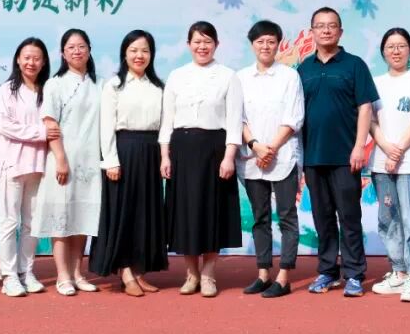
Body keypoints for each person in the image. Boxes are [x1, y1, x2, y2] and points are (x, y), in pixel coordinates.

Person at [297, 7, 378, 297]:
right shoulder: (303, 70)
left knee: (349, 217)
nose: (326, 30)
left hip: (346, 157)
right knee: (322, 218)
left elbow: (365, 107)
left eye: (332, 25)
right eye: (320, 26)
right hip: (313, 157)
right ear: (312, 32)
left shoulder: (354, 65)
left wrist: (359, 147)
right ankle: (327, 271)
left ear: (340, 31)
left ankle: (354, 274)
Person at [160, 21, 244, 298]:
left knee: (212, 211)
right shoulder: (176, 76)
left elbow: (234, 121)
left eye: (208, 41)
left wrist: (229, 156)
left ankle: (208, 274)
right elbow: (167, 121)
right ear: (189, 45)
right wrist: (165, 155)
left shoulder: (228, 76)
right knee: (185, 212)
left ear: (216, 45)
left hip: (214, 150)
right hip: (182, 149)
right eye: (197, 41)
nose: (202, 46)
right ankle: (191, 274)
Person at [90, 30, 169, 297]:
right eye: (134, 50)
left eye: (145, 50)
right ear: (124, 53)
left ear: (152, 55)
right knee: (123, 212)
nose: (139, 55)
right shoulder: (114, 85)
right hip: (123, 151)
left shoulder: (158, 86)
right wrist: (111, 161)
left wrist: (164, 156)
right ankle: (124, 271)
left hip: (151, 153)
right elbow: (106, 126)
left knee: (145, 214)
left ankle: (139, 271)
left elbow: (165, 125)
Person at [236, 20, 303, 299]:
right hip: (252, 158)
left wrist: (271, 148)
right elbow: (237, 117)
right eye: (260, 41)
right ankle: (263, 273)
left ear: (278, 44)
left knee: (287, 216)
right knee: (260, 217)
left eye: (271, 41)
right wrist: (255, 145)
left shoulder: (289, 76)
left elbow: (294, 117)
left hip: (283, 155)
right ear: (252, 44)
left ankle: (284, 277)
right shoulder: (240, 77)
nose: (266, 46)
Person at [33, 29, 103, 296]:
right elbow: (50, 124)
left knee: (82, 217)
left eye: (81, 46)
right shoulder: (55, 84)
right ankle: (62, 276)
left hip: (90, 162)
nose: (77, 51)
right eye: (71, 47)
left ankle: (78, 273)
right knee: (61, 219)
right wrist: (61, 159)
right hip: (63, 160)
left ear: (89, 49)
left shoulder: (100, 84)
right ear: (63, 53)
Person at [367, 28, 410, 303]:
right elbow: (369, 121)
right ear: (383, 51)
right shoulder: (375, 83)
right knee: (388, 219)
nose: (396, 51)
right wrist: (386, 148)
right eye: (391, 46)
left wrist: (398, 151)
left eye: (401, 45)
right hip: (381, 163)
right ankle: (399, 271)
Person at [0, 38, 53, 297]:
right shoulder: (7, 90)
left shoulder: (47, 90)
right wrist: (41, 132)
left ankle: (26, 271)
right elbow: (4, 125)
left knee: (32, 223)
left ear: (44, 62)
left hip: (39, 165)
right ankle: (8, 275)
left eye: (36, 58)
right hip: (12, 164)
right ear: (18, 59)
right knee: (9, 222)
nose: (31, 62)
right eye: (26, 57)